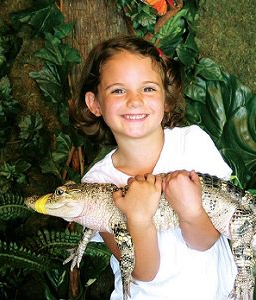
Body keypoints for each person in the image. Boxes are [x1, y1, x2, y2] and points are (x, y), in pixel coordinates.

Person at [70, 35, 237, 300]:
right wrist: (138, 218)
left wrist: (191, 210)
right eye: (118, 90)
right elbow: (142, 272)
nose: (135, 100)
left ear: (166, 99)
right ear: (95, 104)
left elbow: (206, 241)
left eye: (147, 88)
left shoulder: (192, 143)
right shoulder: (98, 184)